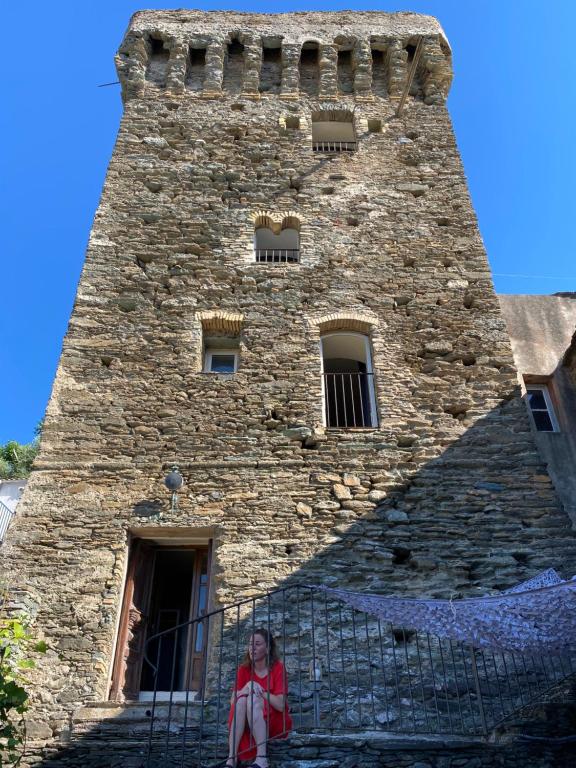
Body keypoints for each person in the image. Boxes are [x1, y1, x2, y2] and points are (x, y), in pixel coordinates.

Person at [226, 628, 292, 768]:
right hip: (248, 723)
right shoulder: (243, 670)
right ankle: (231, 759)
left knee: (253, 700)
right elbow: (233, 703)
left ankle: (262, 758)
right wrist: (247, 687)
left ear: (267, 648)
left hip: (274, 722)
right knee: (242, 700)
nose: (252, 648)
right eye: (250, 644)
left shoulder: (278, 668)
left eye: (257, 644)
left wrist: (260, 691)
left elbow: (280, 705)